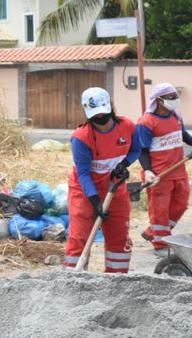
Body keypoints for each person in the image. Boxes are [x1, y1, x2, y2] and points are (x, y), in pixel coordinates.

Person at [64, 87, 140, 273]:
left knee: (119, 236)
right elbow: (83, 173)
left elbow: (136, 149)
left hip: (115, 190)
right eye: (95, 116)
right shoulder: (81, 137)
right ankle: (74, 279)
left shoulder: (127, 126)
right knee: (80, 238)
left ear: (111, 107)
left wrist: (125, 164)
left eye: (103, 114)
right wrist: (95, 200)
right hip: (85, 192)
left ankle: (116, 278)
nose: (101, 120)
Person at [137, 83, 192, 256]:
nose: (175, 100)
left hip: (178, 170)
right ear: (159, 100)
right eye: (171, 97)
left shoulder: (175, 115)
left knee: (181, 205)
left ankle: (152, 232)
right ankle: (160, 244)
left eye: (176, 96)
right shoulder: (146, 122)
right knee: (160, 211)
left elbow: (183, 134)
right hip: (159, 175)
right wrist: (148, 171)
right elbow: (141, 150)